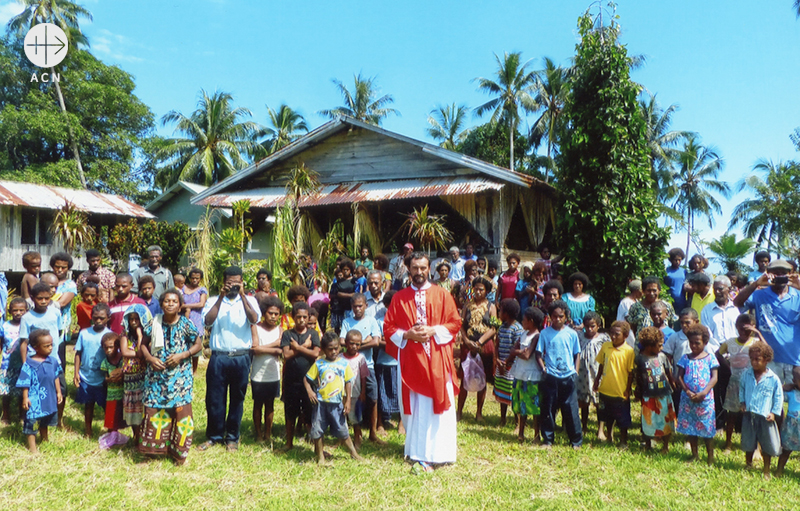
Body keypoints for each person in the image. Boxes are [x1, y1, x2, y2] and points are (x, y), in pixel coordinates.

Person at [383, 252, 461, 473]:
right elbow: (388, 328)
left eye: (423, 268)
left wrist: (433, 330)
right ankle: (417, 452)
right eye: (415, 268)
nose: (419, 272)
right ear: (409, 269)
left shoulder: (442, 294)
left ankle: (441, 452)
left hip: (437, 358)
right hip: (412, 360)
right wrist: (408, 335)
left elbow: (455, 323)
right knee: (416, 405)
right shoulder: (399, 297)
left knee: (438, 405)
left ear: (430, 269)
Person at [139, 289, 203, 465]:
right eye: (167, 301)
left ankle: (178, 453)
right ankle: (152, 452)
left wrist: (182, 355)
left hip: (180, 377)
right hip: (156, 377)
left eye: (174, 301)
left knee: (181, 413)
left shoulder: (185, 324)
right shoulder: (154, 323)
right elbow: (143, 345)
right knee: (154, 411)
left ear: (180, 305)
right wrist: (150, 358)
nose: (170, 304)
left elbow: (198, 344)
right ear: (161, 304)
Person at [199, 266, 260, 451]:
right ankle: (214, 435)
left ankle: (232, 437)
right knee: (214, 398)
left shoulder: (250, 300)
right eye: (230, 282)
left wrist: (242, 296)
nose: (233, 285)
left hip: (241, 357)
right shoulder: (212, 301)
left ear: (242, 282)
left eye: (237, 282)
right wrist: (220, 297)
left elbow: (254, 319)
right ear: (223, 282)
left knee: (237, 398)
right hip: (219, 357)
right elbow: (208, 322)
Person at [734, 259, 800, 385]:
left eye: (783, 273)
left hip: (795, 357)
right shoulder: (759, 295)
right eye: (776, 273)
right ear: (768, 274)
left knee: (796, 401)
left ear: (790, 274)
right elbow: (737, 303)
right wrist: (755, 284)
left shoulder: (797, 295)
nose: (780, 276)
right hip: (769, 358)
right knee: (771, 399)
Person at [304, 332, 364, 464]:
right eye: (330, 349)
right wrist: (310, 392)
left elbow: (348, 382)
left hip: (337, 403)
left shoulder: (343, 364)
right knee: (318, 430)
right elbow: (306, 379)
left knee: (343, 430)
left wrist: (347, 400)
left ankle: (354, 453)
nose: (334, 351)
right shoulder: (319, 364)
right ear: (324, 349)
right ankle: (320, 457)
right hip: (321, 403)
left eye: (336, 348)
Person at [535, 299, 583, 449]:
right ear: (550, 317)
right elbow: (538, 353)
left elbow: (577, 354)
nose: (557, 319)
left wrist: (575, 371)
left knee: (571, 409)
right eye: (554, 316)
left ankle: (575, 441)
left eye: (561, 316)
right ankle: (548, 440)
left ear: (566, 317)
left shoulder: (572, 334)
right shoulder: (545, 333)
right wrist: (544, 369)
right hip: (551, 376)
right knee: (548, 408)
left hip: (568, 376)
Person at [339, 293, 385, 444]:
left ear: (366, 306)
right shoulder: (347, 321)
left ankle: (372, 432)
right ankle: (347, 433)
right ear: (351, 307)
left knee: (372, 398)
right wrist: (364, 341)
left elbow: (376, 342)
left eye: (360, 306)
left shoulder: (372, 321)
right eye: (355, 306)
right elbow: (341, 341)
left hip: (368, 366)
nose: (358, 309)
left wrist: (354, 345)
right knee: (346, 399)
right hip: (348, 367)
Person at [19, 282, 65, 428]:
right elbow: (24, 342)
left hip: (53, 361)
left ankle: (57, 420)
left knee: (60, 390)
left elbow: (58, 332)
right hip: (35, 362)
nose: (44, 301)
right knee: (33, 391)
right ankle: (30, 419)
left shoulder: (55, 313)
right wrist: (25, 363)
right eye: (40, 298)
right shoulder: (27, 318)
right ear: (32, 298)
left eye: (46, 298)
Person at [739, 341, 783, 479]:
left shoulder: (773, 378)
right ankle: (748, 464)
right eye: (752, 359)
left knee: (766, 442)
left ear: (766, 359)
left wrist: (774, 413)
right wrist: (742, 402)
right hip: (749, 414)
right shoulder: (746, 375)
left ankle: (766, 469)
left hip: (765, 416)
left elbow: (778, 396)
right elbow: (742, 388)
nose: (754, 362)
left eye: (757, 359)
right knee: (748, 441)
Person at [676, 324, 718, 465]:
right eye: (691, 343)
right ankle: (695, 454)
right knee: (691, 428)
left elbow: (714, 377)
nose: (693, 346)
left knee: (707, 428)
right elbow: (679, 377)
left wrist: (704, 392)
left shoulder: (710, 358)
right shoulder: (685, 358)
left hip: (705, 399)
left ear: (705, 342)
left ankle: (710, 456)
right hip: (688, 399)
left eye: (697, 343)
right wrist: (687, 391)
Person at [280, 302, 320, 451]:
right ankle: (289, 443)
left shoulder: (313, 334)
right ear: (293, 317)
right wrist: (302, 347)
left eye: (304, 317)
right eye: (299, 317)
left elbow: (315, 353)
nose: (302, 320)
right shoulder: (287, 334)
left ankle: (315, 445)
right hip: (291, 380)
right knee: (290, 412)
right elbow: (287, 354)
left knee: (311, 411)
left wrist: (296, 347)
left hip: (310, 381)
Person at [456, 277, 496, 422]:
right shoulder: (467, 305)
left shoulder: (491, 307)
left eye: (481, 289)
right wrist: (466, 340)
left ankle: (479, 413)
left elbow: (493, 328)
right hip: (468, 345)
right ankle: (459, 411)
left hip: (484, 346)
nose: (478, 292)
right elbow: (461, 325)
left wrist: (479, 342)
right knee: (465, 378)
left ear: (486, 291)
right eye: (476, 289)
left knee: (482, 379)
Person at [718, 314, 760, 451]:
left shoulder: (756, 342)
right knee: (732, 414)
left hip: (752, 384)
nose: (744, 331)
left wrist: (758, 333)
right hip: (735, 383)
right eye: (741, 328)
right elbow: (717, 354)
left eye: (748, 328)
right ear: (736, 327)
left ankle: (757, 448)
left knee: (754, 415)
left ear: (753, 328)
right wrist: (726, 365)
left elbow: (768, 351)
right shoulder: (730, 343)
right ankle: (728, 444)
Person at [16, 329, 62, 454]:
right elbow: (25, 382)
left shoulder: (52, 361)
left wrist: (58, 392)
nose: (50, 348)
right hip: (34, 400)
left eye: (51, 344)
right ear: (36, 347)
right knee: (32, 422)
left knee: (45, 420)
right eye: (46, 346)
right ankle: (33, 448)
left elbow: (56, 376)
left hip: (48, 398)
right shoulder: (28, 364)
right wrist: (25, 397)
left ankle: (45, 439)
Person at [593, 321, 635, 448]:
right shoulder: (606, 346)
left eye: (617, 334)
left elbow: (630, 373)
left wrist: (628, 390)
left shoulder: (628, 351)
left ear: (626, 335)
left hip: (620, 391)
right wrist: (597, 380)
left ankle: (623, 441)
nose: (613, 337)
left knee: (622, 418)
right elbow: (601, 364)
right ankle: (609, 436)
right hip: (605, 388)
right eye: (611, 334)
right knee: (607, 415)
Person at [74, 303, 113, 438]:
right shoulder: (84, 333)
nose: (98, 321)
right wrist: (75, 373)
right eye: (95, 318)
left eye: (102, 318)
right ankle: (88, 431)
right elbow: (78, 353)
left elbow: (114, 358)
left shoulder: (111, 335)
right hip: (86, 376)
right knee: (88, 405)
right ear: (91, 317)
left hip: (103, 379)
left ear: (108, 318)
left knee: (106, 406)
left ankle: (110, 431)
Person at [634, 327, 675, 453]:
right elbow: (638, 376)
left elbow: (668, 372)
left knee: (666, 420)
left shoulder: (662, 357)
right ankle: (648, 444)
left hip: (664, 393)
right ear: (649, 346)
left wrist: (673, 385)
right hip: (648, 395)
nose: (661, 348)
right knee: (648, 421)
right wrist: (638, 390)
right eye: (659, 345)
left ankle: (665, 446)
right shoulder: (640, 359)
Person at [251, 296, 283, 448]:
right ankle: (258, 433)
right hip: (257, 372)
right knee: (257, 404)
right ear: (264, 313)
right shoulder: (255, 328)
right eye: (270, 313)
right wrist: (275, 347)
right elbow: (255, 349)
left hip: (273, 373)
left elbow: (281, 349)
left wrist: (266, 348)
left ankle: (268, 433)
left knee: (270, 405)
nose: (273, 316)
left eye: (276, 314)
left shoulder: (281, 330)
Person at [509, 306, 544, 444]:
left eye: (524, 320)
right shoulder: (523, 334)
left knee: (534, 407)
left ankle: (536, 435)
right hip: (520, 374)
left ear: (531, 321)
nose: (522, 322)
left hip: (532, 376)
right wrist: (519, 352)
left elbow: (527, 354)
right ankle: (521, 433)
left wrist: (517, 352)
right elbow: (516, 350)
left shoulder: (537, 336)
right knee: (521, 406)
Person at [119, 304, 152, 442]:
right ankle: (136, 436)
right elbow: (126, 352)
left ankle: (144, 437)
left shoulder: (148, 335)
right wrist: (139, 343)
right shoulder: (124, 335)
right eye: (131, 319)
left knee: (143, 408)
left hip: (143, 376)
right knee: (132, 409)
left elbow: (143, 354)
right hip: (130, 377)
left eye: (136, 319)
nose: (133, 322)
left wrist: (140, 336)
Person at [576, 311, 610, 438]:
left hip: (598, 374)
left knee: (599, 403)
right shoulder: (579, 336)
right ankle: (583, 426)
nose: (589, 329)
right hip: (582, 374)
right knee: (584, 402)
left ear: (598, 326)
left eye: (592, 326)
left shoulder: (604, 338)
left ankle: (600, 429)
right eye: (587, 326)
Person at [663, 308, 701, 409]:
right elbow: (667, 358)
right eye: (681, 323)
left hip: (698, 380)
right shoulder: (675, 337)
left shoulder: (702, 337)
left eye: (687, 322)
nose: (684, 325)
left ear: (696, 322)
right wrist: (671, 377)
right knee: (679, 406)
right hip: (679, 380)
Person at [495, 298, 522, 427]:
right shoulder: (502, 327)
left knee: (513, 395)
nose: (499, 313)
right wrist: (498, 360)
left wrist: (506, 363)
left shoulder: (517, 329)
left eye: (501, 311)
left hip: (512, 366)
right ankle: (502, 419)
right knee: (502, 391)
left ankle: (517, 423)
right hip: (501, 365)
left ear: (507, 313)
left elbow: (516, 349)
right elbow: (497, 344)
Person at [49, 252, 77, 371]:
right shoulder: (47, 281)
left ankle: (60, 385)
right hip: (46, 322)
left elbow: (62, 303)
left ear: (68, 268)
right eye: (57, 267)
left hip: (61, 324)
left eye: (63, 267)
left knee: (59, 353)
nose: (60, 270)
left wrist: (45, 301)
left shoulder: (70, 284)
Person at [342, 330, 369, 449]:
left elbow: (363, 377)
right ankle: (342, 439)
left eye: (357, 344)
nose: (354, 346)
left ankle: (357, 437)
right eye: (352, 343)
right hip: (341, 393)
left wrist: (363, 392)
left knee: (355, 418)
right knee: (341, 417)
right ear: (346, 343)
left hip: (355, 393)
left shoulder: (361, 358)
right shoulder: (339, 357)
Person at [0, 297, 26, 423]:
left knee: (22, 392)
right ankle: (6, 415)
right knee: (6, 392)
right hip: (7, 365)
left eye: (21, 310)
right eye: (15, 310)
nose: (18, 313)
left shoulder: (27, 326)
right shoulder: (4, 326)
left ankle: (22, 415)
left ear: (26, 311)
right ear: (10, 311)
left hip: (22, 364)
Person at [181, 268, 207, 374]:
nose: (195, 280)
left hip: (196, 320)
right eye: (193, 278)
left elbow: (201, 304)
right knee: (183, 344)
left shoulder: (202, 290)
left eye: (197, 278)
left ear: (200, 279)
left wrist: (186, 306)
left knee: (196, 345)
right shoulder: (183, 288)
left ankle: (194, 371)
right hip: (183, 319)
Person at [777, 366, 800, 477]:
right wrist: (783, 387)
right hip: (792, 428)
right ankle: (779, 470)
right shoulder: (791, 393)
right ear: (794, 381)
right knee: (786, 450)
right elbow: (777, 394)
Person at [100, 332, 125, 434]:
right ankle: (111, 436)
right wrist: (108, 380)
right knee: (111, 418)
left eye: (111, 347)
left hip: (123, 394)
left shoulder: (123, 360)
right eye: (106, 348)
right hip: (111, 394)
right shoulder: (105, 362)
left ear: (118, 346)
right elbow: (105, 377)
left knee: (125, 416)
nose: (109, 350)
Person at [329, 259, 357, 335]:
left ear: (351, 270)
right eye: (343, 269)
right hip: (339, 309)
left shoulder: (354, 281)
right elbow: (335, 294)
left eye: (347, 269)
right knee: (338, 329)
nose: (345, 271)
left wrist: (342, 294)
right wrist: (350, 295)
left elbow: (357, 293)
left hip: (350, 308)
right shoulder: (338, 282)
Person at [664, 248, 687, 312]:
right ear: (671, 260)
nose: (677, 262)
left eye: (679, 260)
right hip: (669, 302)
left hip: (682, 302)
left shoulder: (684, 271)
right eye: (675, 260)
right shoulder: (666, 271)